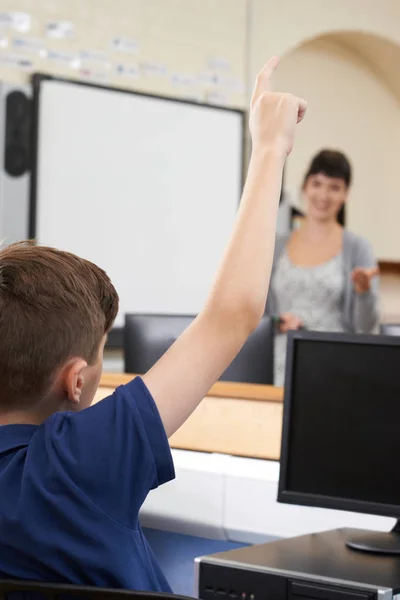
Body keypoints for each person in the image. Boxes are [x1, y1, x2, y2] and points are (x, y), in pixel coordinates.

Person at [0, 58, 307, 591]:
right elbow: (231, 315)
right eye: (100, 355)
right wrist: (268, 148)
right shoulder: (73, 465)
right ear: (76, 381)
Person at [266, 149, 380, 386]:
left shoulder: (357, 248)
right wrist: (277, 321)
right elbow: (261, 315)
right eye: (317, 183)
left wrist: (363, 292)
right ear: (305, 186)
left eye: (335, 187)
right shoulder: (276, 246)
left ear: (346, 194)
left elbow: (367, 328)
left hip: (335, 364)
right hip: (279, 364)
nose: (323, 195)